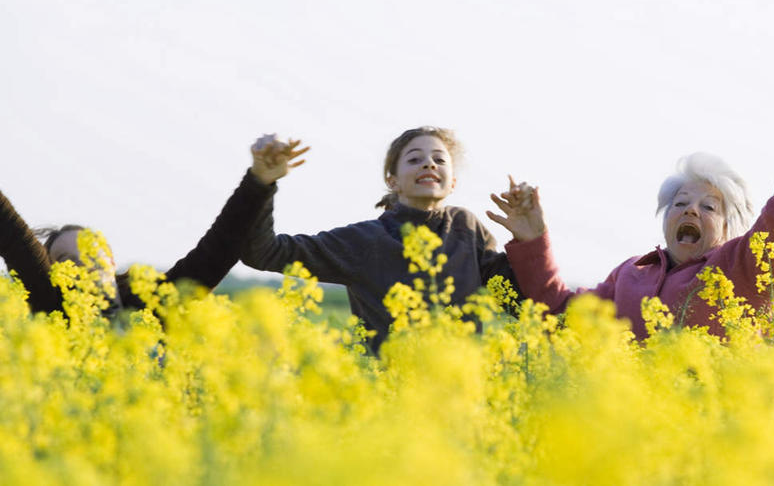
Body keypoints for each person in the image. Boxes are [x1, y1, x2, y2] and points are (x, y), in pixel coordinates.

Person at [488, 63, 774, 339]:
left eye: (708, 207)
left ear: (732, 226)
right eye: (679, 203)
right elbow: (558, 313)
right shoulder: (631, 274)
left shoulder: (745, 265)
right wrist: (532, 239)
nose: (690, 209)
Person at [241, 127, 518, 351]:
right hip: (393, 401)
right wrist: (262, 183)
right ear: (393, 181)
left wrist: (529, 237)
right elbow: (265, 252)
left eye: (439, 159)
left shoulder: (466, 227)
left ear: (453, 182)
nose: (429, 163)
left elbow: (518, 298)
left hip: (462, 399)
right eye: (414, 159)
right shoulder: (364, 240)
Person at [0, 139, 287, 315]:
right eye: (67, 261)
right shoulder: (49, 307)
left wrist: (258, 181)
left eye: (92, 253)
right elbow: (11, 233)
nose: (84, 265)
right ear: (50, 273)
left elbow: (215, 252)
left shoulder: (151, 308)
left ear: (111, 262)